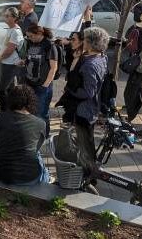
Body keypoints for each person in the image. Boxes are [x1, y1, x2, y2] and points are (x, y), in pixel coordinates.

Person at [64, 27, 109, 179]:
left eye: (86, 39)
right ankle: (90, 172)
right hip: (92, 109)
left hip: (84, 110)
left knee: (85, 146)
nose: (83, 42)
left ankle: (87, 176)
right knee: (87, 143)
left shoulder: (90, 65)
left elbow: (88, 92)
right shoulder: (102, 57)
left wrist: (70, 90)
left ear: (90, 43)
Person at [0, 84, 50, 185]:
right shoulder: (40, 123)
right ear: (31, 101)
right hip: (30, 176)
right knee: (37, 155)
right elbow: (36, 148)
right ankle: (46, 182)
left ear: (10, 100)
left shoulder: (1, 118)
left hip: (2, 174)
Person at [19, 25, 58, 137]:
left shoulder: (49, 45)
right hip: (29, 82)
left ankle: (44, 135)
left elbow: (53, 68)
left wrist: (45, 86)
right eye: (28, 36)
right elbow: (30, 57)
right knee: (31, 111)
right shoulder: (30, 43)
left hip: (42, 86)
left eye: (31, 36)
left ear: (39, 34)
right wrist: (24, 62)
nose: (30, 38)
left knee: (41, 113)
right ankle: (34, 133)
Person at [122, 12, 142, 122]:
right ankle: (131, 113)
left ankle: (131, 114)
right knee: (132, 92)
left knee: (132, 92)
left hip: (140, 66)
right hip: (139, 66)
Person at [0, 7, 24, 111]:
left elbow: (10, 50)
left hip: (10, 65)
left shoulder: (16, 31)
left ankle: (5, 113)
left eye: (7, 16)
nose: (5, 17)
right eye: (5, 15)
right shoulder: (10, 29)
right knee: (8, 90)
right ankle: (9, 112)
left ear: (14, 18)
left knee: (3, 90)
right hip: (5, 63)